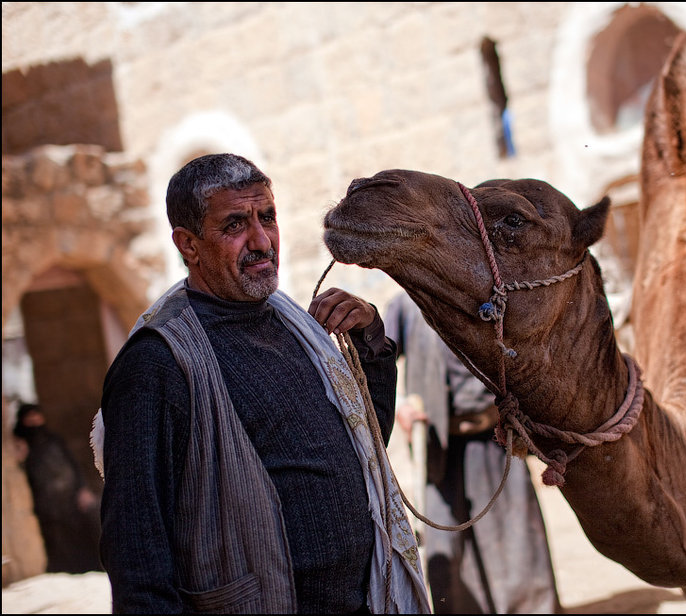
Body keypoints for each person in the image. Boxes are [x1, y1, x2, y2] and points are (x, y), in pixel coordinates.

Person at [96, 153, 430, 614]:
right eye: (235, 225)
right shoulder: (157, 363)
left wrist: (369, 340)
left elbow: (368, 452)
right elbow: (137, 549)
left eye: (267, 217)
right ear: (188, 244)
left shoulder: (297, 327)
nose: (261, 240)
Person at [384, 292, 560, 614]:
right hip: (440, 448)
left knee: (515, 541)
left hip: (497, 441)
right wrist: (400, 407)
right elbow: (379, 361)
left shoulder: (491, 294)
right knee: (446, 552)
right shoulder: (406, 304)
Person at [13, 402, 102, 574]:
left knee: (79, 536)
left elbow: (73, 465)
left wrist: (82, 489)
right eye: (29, 418)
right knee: (58, 542)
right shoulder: (22, 445)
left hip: (70, 499)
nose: (34, 421)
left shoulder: (53, 439)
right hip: (47, 506)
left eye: (36, 416)